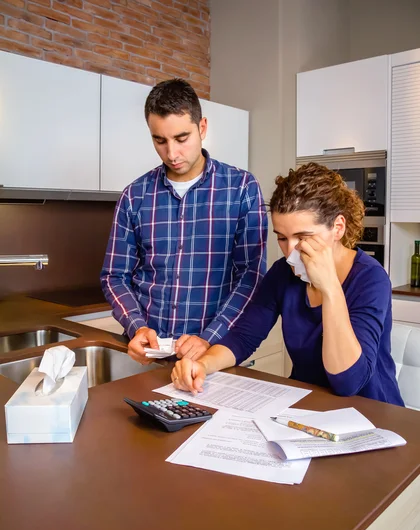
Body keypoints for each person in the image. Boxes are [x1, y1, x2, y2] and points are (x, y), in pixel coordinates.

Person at [171, 162, 404, 407]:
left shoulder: (370, 279)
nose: (291, 250)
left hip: (373, 412)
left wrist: (331, 288)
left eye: (304, 237)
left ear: (337, 228)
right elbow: (243, 338)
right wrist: (202, 365)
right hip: (309, 406)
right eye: (282, 238)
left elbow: (348, 382)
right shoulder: (283, 273)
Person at [101, 79, 268, 365]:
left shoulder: (241, 188)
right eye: (160, 140)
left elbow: (251, 276)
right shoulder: (134, 195)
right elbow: (114, 276)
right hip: (149, 358)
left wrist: (209, 337)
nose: (172, 154)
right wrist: (136, 326)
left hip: (212, 357)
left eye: (181, 138)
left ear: (202, 128)